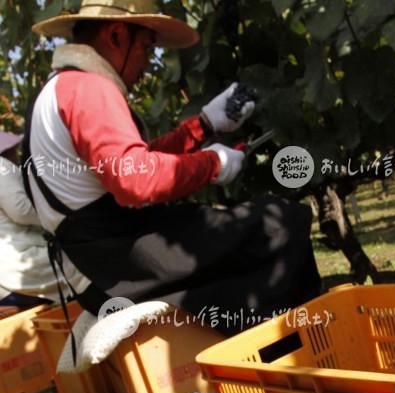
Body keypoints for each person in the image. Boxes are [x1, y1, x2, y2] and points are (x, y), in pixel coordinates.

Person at [25, 0, 321, 335]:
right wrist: (214, 163)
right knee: (280, 222)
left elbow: (132, 160)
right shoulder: (88, 88)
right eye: (147, 49)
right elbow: (135, 177)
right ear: (117, 35)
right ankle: (301, 349)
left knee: (239, 242)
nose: (148, 64)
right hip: (115, 264)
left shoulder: (59, 88)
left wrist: (204, 126)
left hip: (101, 267)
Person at [0, 131, 61, 306]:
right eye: (14, 150)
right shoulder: (1, 167)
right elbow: (21, 210)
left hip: (9, 264)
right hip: (15, 263)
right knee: (79, 265)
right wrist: (60, 215)